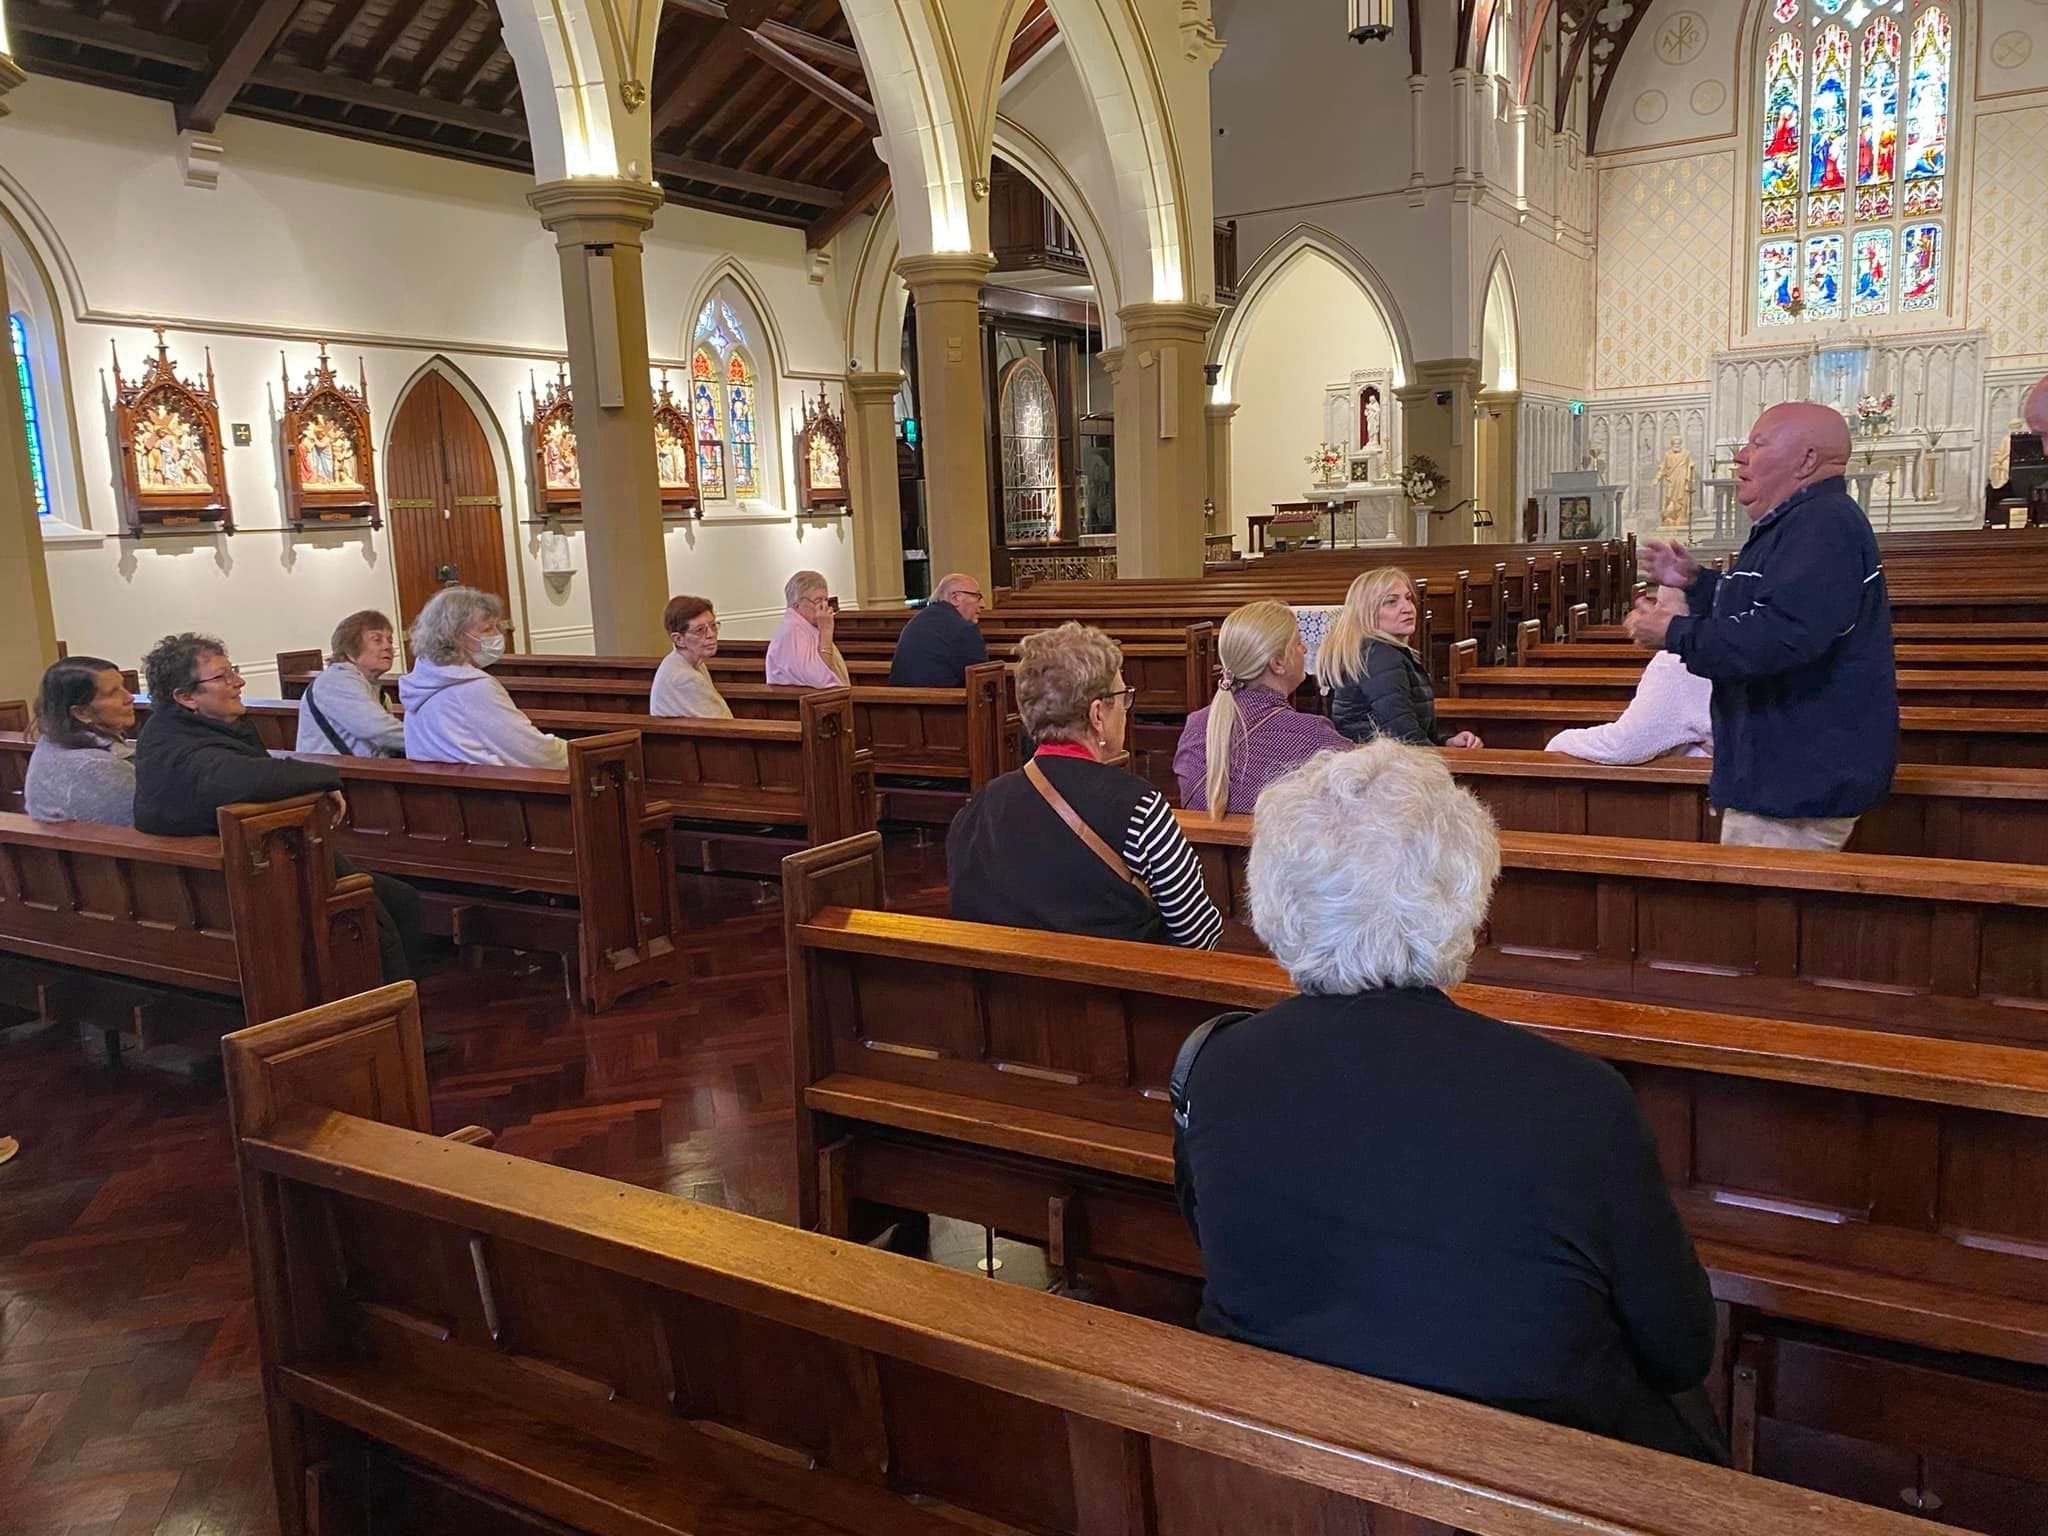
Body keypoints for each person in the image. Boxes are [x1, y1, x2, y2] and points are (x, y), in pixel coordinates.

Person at [1177, 743, 1723, 1462]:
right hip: (1532, 1479)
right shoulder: (1577, 1098)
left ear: (1274, 897)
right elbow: (1681, 1348)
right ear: (1465, 895)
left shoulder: (1216, 1064)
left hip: (1284, 1464)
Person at [1623, 402, 1896, 850]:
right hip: (1784, 777)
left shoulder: (1823, 524)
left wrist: (1673, 633)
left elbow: (1784, 635)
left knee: (1766, 916)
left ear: (1806, 460)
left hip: (1795, 786)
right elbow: (1769, 605)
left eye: (1758, 443)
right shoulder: (1801, 523)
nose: (1740, 456)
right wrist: (1695, 584)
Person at [132, 632, 422, 983]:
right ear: (186, 697)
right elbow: (244, 778)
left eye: (234, 671)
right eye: (222, 676)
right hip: (250, 882)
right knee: (374, 914)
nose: (238, 682)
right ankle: (388, 1021)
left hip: (252, 867)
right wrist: (324, 777)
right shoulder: (183, 749)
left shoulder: (188, 728)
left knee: (400, 899)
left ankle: (404, 1006)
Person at [948, 623, 1222, 950]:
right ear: (1097, 714)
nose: (1125, 708)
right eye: (1123, 697)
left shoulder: (976, 809)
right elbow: (1199, 934)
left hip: (1000, 996)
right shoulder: (1140, 807)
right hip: (1115, 997)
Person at [1173, 600, 1349, 816]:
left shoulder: (1196, 724)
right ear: (1277, 663)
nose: (1304, 649)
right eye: (1298, 643)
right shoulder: (1312, 736)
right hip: (1273, 850)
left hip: (1203, 848)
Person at [400, 587, 568, 769]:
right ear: (455, 637)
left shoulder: (420, 680)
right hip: (494, 793)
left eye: (498, 626)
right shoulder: (474, 688)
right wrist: (575, 752)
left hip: (443, 793)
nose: (498, 634)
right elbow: (534, 752)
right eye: (487, 629)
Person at [1545, 587, 1712, 764]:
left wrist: (1560, 742)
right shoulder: (1724, 644)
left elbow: (1624, 746)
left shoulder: (1677, 661)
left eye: (1661, 605)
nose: (1651, 613)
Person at [1321, 568, 1482, 749]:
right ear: (1367, 612)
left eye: (1408, 598)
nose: (1407, 608)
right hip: (1382, 769)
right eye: (1391, 602)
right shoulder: (1380, 656)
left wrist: (1447, 743)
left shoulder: (1375, 651)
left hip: (1381, 762)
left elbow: (1407, 730)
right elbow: (1405, 736)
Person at [23, 656, 137, 826]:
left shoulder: (53, 741)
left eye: (123, 686)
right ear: (81, 713)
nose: (129, 697)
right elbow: (143, 825)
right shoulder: (96, 766)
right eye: (113, 693)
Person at [295, 609, 406, 756]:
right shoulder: (336, 681)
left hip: (356, 772)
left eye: (390, 640)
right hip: (334, 775)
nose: (388, 647)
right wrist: (431, 743)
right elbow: (377, 729)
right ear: (350, 649)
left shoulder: (365, 683)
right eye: (377, 639)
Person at [887, 572, 989, 687]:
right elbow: (982, 682)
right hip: (941, 702)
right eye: (977, 596)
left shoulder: (917, 621)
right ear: (955, 598)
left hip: (900, 701)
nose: (983, 604)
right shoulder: (964, 630)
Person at [651, 595, 732, 719]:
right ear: (678, 639)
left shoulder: (695, 663)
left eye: (713, 626)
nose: (711, 634)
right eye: (700, 630)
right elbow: (724, 722)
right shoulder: (684, 678)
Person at [764, 570, 850, 688]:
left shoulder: (807, 626)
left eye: (826, 600)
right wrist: (826, 632)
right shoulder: (792, 632)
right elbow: (820, 680)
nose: (824, 607)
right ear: (797, 606)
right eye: (818, 601)